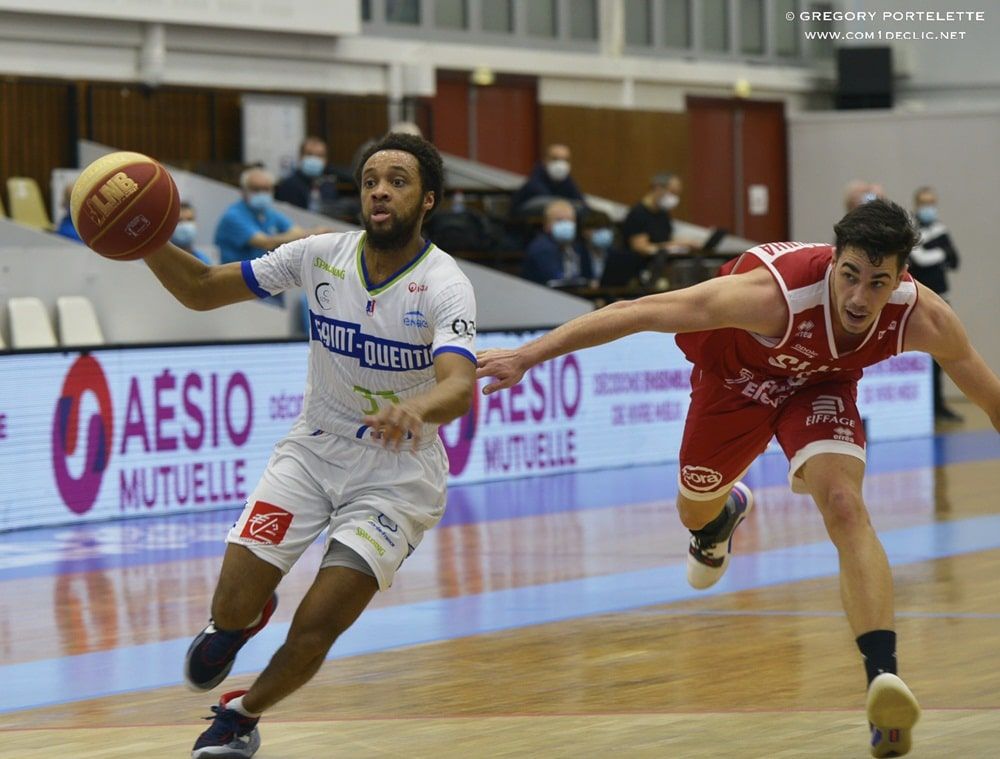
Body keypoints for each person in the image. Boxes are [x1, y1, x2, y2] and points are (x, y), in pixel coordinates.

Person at [476, 199, 1000, 758]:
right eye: (850, 275)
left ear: (900, 278)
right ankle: (718, 522)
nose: (858, 298)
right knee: (694, 507)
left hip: (820, 387)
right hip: (736, 382)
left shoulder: (923, 316)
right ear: (832, 263)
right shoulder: (769, 297)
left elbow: (989, 397)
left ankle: (883, 682)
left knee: (845, 505)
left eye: (878, 283)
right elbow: (634, 311)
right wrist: (527, 356)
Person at [120, 133, 477, 758]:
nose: (380, 192)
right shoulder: (319, 255)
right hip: (313, 451)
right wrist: (145, 238)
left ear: (427, 200)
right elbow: (202, 288)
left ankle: (241, 717)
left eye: (397, 181)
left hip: (398, 477)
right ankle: (240, 622)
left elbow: (459, 385)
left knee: (318, 624)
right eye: (370, 181)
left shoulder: (445, 284)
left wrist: (415, 408)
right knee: (232, 603)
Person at [909, 186, 962, 422]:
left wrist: (936, 254)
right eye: (924, 203)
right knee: (919, 354)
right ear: (916, 205)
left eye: (932, 203)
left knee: (941, 353)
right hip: (920, 301)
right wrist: (940, 253)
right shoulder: (911, 231)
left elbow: (955, 260)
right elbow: (918, 259)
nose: (928, 208)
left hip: (943, 298)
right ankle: (920, 406)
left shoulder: (941, 229)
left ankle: (939, 404)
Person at [214, 166, 329, 266]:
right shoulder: (233, 216)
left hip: (261, 275)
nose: (261, 193)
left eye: (266, 189)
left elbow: (297, 232)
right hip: (236, 278)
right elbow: (266, 243)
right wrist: (314, 232)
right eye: (256, 189)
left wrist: (308, 235)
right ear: (243, 191)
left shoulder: (268, 213)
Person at [622, 173, 700, 286]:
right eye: (672, 192)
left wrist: (682, 243)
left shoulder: (663, 214)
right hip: (640, 271)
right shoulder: (638, 213)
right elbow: (641, 247)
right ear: (658, 188)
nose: (675, 198)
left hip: (662, 267)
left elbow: (665, 238)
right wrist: (673, 245)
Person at [521, 198, 592, 287]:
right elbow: (554, 279)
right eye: (559, 220)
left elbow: (588, 277)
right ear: (546, 225)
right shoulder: (541, 248)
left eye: (570, 220)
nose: (566, 224)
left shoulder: (578, 247)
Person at [510, 143, 585, 214]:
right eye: (555, 159)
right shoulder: (534, 181)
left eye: (565, 160)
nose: (561, 164)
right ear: (545, 160)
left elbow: (582, 205)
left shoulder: (567, 181)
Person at [275, 136, 338, 213]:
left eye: (319, 155)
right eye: (309, 154)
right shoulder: (288, 185)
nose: (314, 159)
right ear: (301, 157)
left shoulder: (328, 186)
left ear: (326, 160)